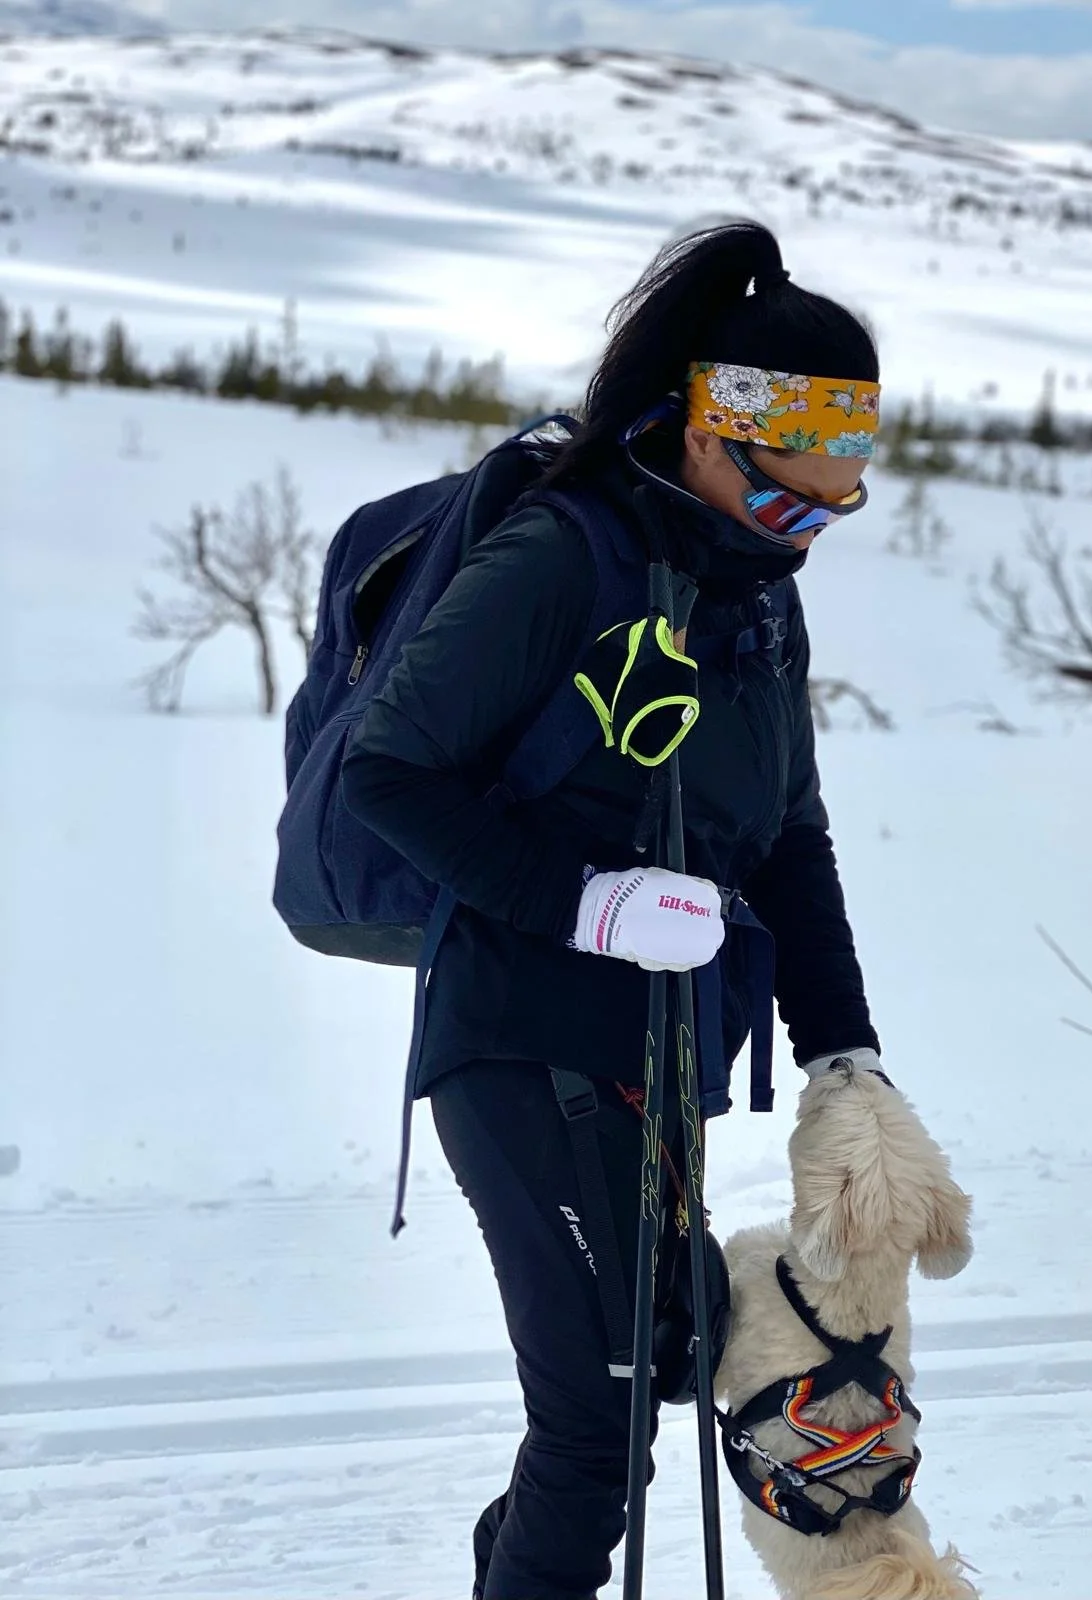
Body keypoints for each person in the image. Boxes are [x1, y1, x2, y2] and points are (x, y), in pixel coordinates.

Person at [341, 219, 888, 1600]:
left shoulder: (754, 594)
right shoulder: (561, 556)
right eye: (793, 494)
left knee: (657, 1365)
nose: (814, 525)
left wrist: (848, 1056)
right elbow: (386, 773)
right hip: (521, 1032)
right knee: (591, 1426)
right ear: (714, 435)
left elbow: (790, 837)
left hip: (660, 1047)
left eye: (842, 496)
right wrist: (588, 905)